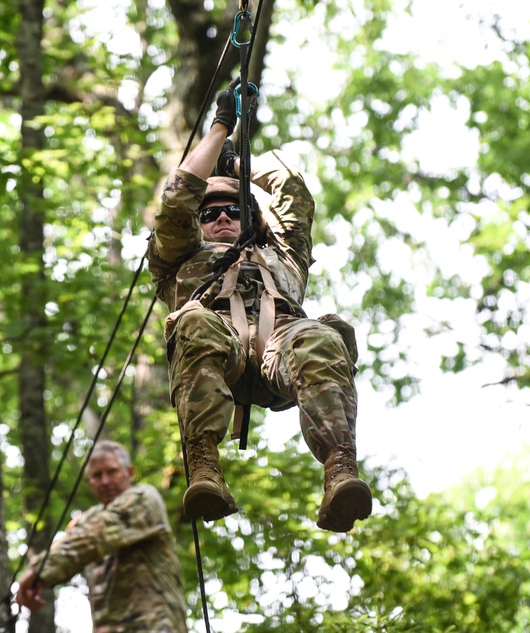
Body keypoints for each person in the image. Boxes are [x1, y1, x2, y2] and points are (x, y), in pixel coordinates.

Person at [145, 81, 373, 533]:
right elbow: (175, 203)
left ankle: (340, 469)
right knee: (193, 320)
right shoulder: (180, 257)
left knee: (321, 336)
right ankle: (204, 465)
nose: (222, 217)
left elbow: (294, 192)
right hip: (215, 349)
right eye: (209, 213)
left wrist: (240, 161)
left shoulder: (283, 254)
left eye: (233, 209)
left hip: (280, 349)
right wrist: (220, 130)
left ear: (251, 217)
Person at [15, 440, 190, 633]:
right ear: (89, 482)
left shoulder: (144, 499)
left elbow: (94, 536)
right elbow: (70, 547)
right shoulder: (87, 520)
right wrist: (38, 574)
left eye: (112, 472)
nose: (105, 481)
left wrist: (39, 569)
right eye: (97, 476)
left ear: (129, 472)